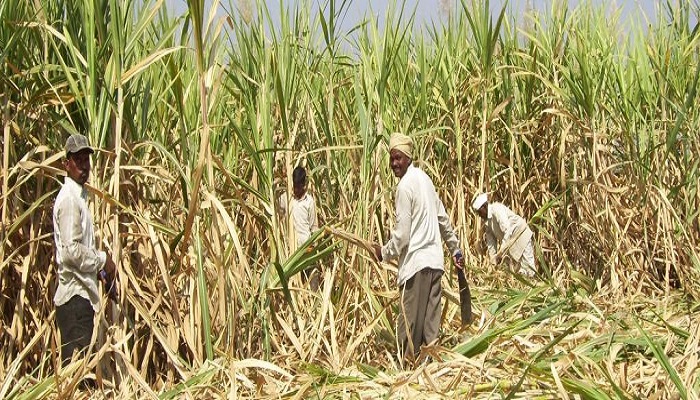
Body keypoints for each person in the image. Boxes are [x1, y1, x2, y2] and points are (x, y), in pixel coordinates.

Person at [372, 132, 465, 361]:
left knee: (408, 330)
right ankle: (430, 377)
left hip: (416, 267)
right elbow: (443, 218)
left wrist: (383, 253)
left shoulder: (405, 187)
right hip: (435, 264)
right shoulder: (426, 180)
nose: (394, 163)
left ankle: (407, 379)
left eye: (398, 158)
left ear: (408, 157)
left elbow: (402, 235)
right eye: (392, 159)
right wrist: (455, 249)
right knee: (430, 331)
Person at [53, 133, 117, 366]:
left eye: (86, 160)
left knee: (81, 375)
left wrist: (99, 274)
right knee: (78, 378)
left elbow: (78, 249)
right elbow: (71, 251)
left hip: (80, 299)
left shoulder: (78, 198)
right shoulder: (70, 199)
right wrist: (103, 260)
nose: (83, 165)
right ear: (66, 163)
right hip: (75, 301)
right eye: (77, 159)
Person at [472, 192, 535, 277]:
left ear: (484, 207)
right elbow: (491, 243)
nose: (479, 215)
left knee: (528, 266)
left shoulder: (497, 209)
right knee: (517, 270)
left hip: (521, 234)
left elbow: (507, 229)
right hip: (510, 242)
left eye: (479, 212)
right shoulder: (487, 222)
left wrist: (501, 252)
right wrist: (493, 260)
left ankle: (534, 285)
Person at [289, 165, 320, 290]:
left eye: (298, 186)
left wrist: (312, 245)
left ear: (304, 185)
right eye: (294, 186)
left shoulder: (309, 202)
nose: (296, 189)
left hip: (306, 246)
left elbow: (314, 226)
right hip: (292, 248)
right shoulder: (289, 200)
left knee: (312, 278)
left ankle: (315, 304)